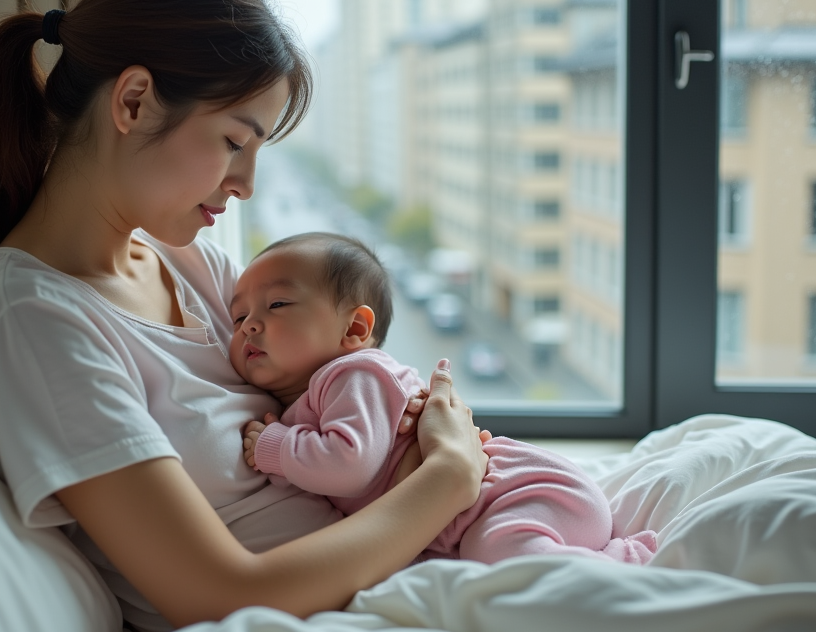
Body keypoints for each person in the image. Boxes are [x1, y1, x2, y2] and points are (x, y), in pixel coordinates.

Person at [0, 0, 489, 632]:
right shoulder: (32, 324)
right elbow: (219, 595)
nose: (245, 184)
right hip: (327, 624)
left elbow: (327, 396)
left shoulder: (191, 266)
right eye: (234, 141)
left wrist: (406, 422)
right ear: (132, 102)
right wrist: (449, 474)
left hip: (405, 566)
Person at [233, 233, 657, 565]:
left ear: (355, 331)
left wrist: (275, 447)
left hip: (518, 492)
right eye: (238, 316)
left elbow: (348, 463)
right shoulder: (313, 396)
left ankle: (624, 562)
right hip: (492, 505)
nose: (250, 325)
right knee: (492, 559)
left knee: (505, 555)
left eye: (278, 303)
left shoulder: (354, 372)